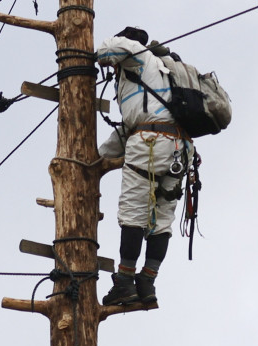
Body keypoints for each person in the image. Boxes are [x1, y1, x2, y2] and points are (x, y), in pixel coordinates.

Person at [96, 26, 194, 306]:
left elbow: (106, 49)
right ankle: (147, 282)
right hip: (180, 148)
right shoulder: (162, 70)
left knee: (133, 212)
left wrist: (95, 54)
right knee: (161, 217)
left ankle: (125, 282)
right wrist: (97, 157)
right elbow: (129, 129)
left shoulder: (136, 53)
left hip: (151, 142)